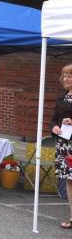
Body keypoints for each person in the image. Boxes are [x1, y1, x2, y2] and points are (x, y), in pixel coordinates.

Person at [51, 64, 72, 229]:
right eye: (64, 75)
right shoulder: (60, 99)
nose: (66, 79)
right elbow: (54, 120)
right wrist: (55, 127)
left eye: (70, 76)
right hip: (63, 146)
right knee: (69, 182)